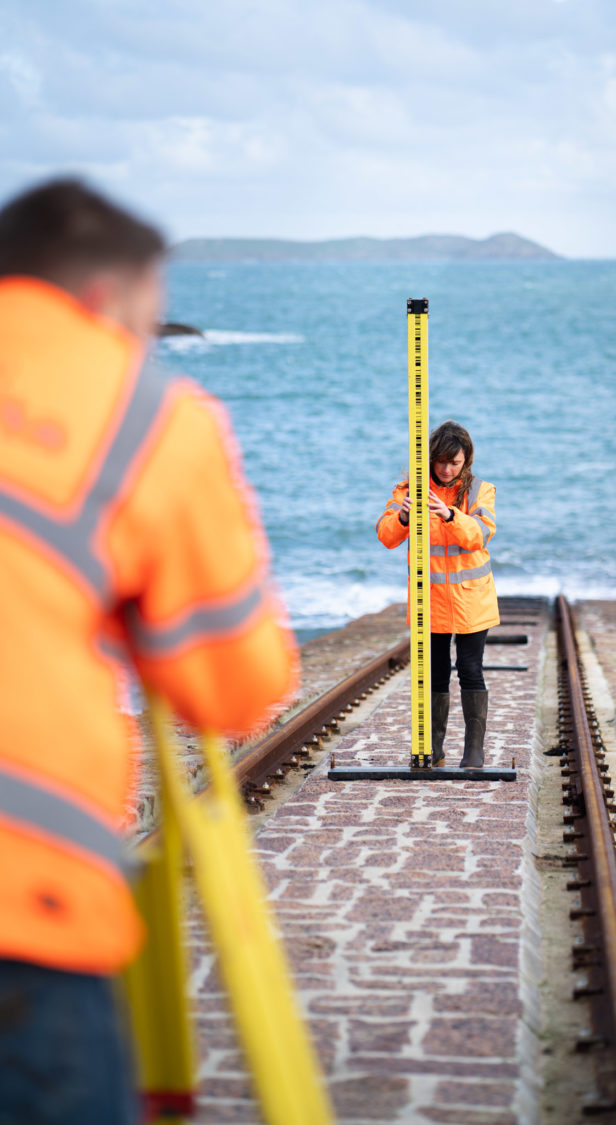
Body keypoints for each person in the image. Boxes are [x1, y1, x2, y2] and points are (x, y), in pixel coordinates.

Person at [0, 178, 299, 1123]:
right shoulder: (147, 417)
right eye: (148, 319)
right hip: (25, 897)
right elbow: (237, 686)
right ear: (105, 303)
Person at [376, 420, 499, 768]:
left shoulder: (480, 492)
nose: (446, 469)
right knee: (436, 671)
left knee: (471, 669)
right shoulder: (409, 490)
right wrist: (401, 517)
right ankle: (434, 746)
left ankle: (474, 751)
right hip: (429, 601)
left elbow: (480, 535)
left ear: (466, 461)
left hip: (471, 598)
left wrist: (449, 515)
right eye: (440, 462)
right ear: (430, 459)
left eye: (454, 463)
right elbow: (385, 536)